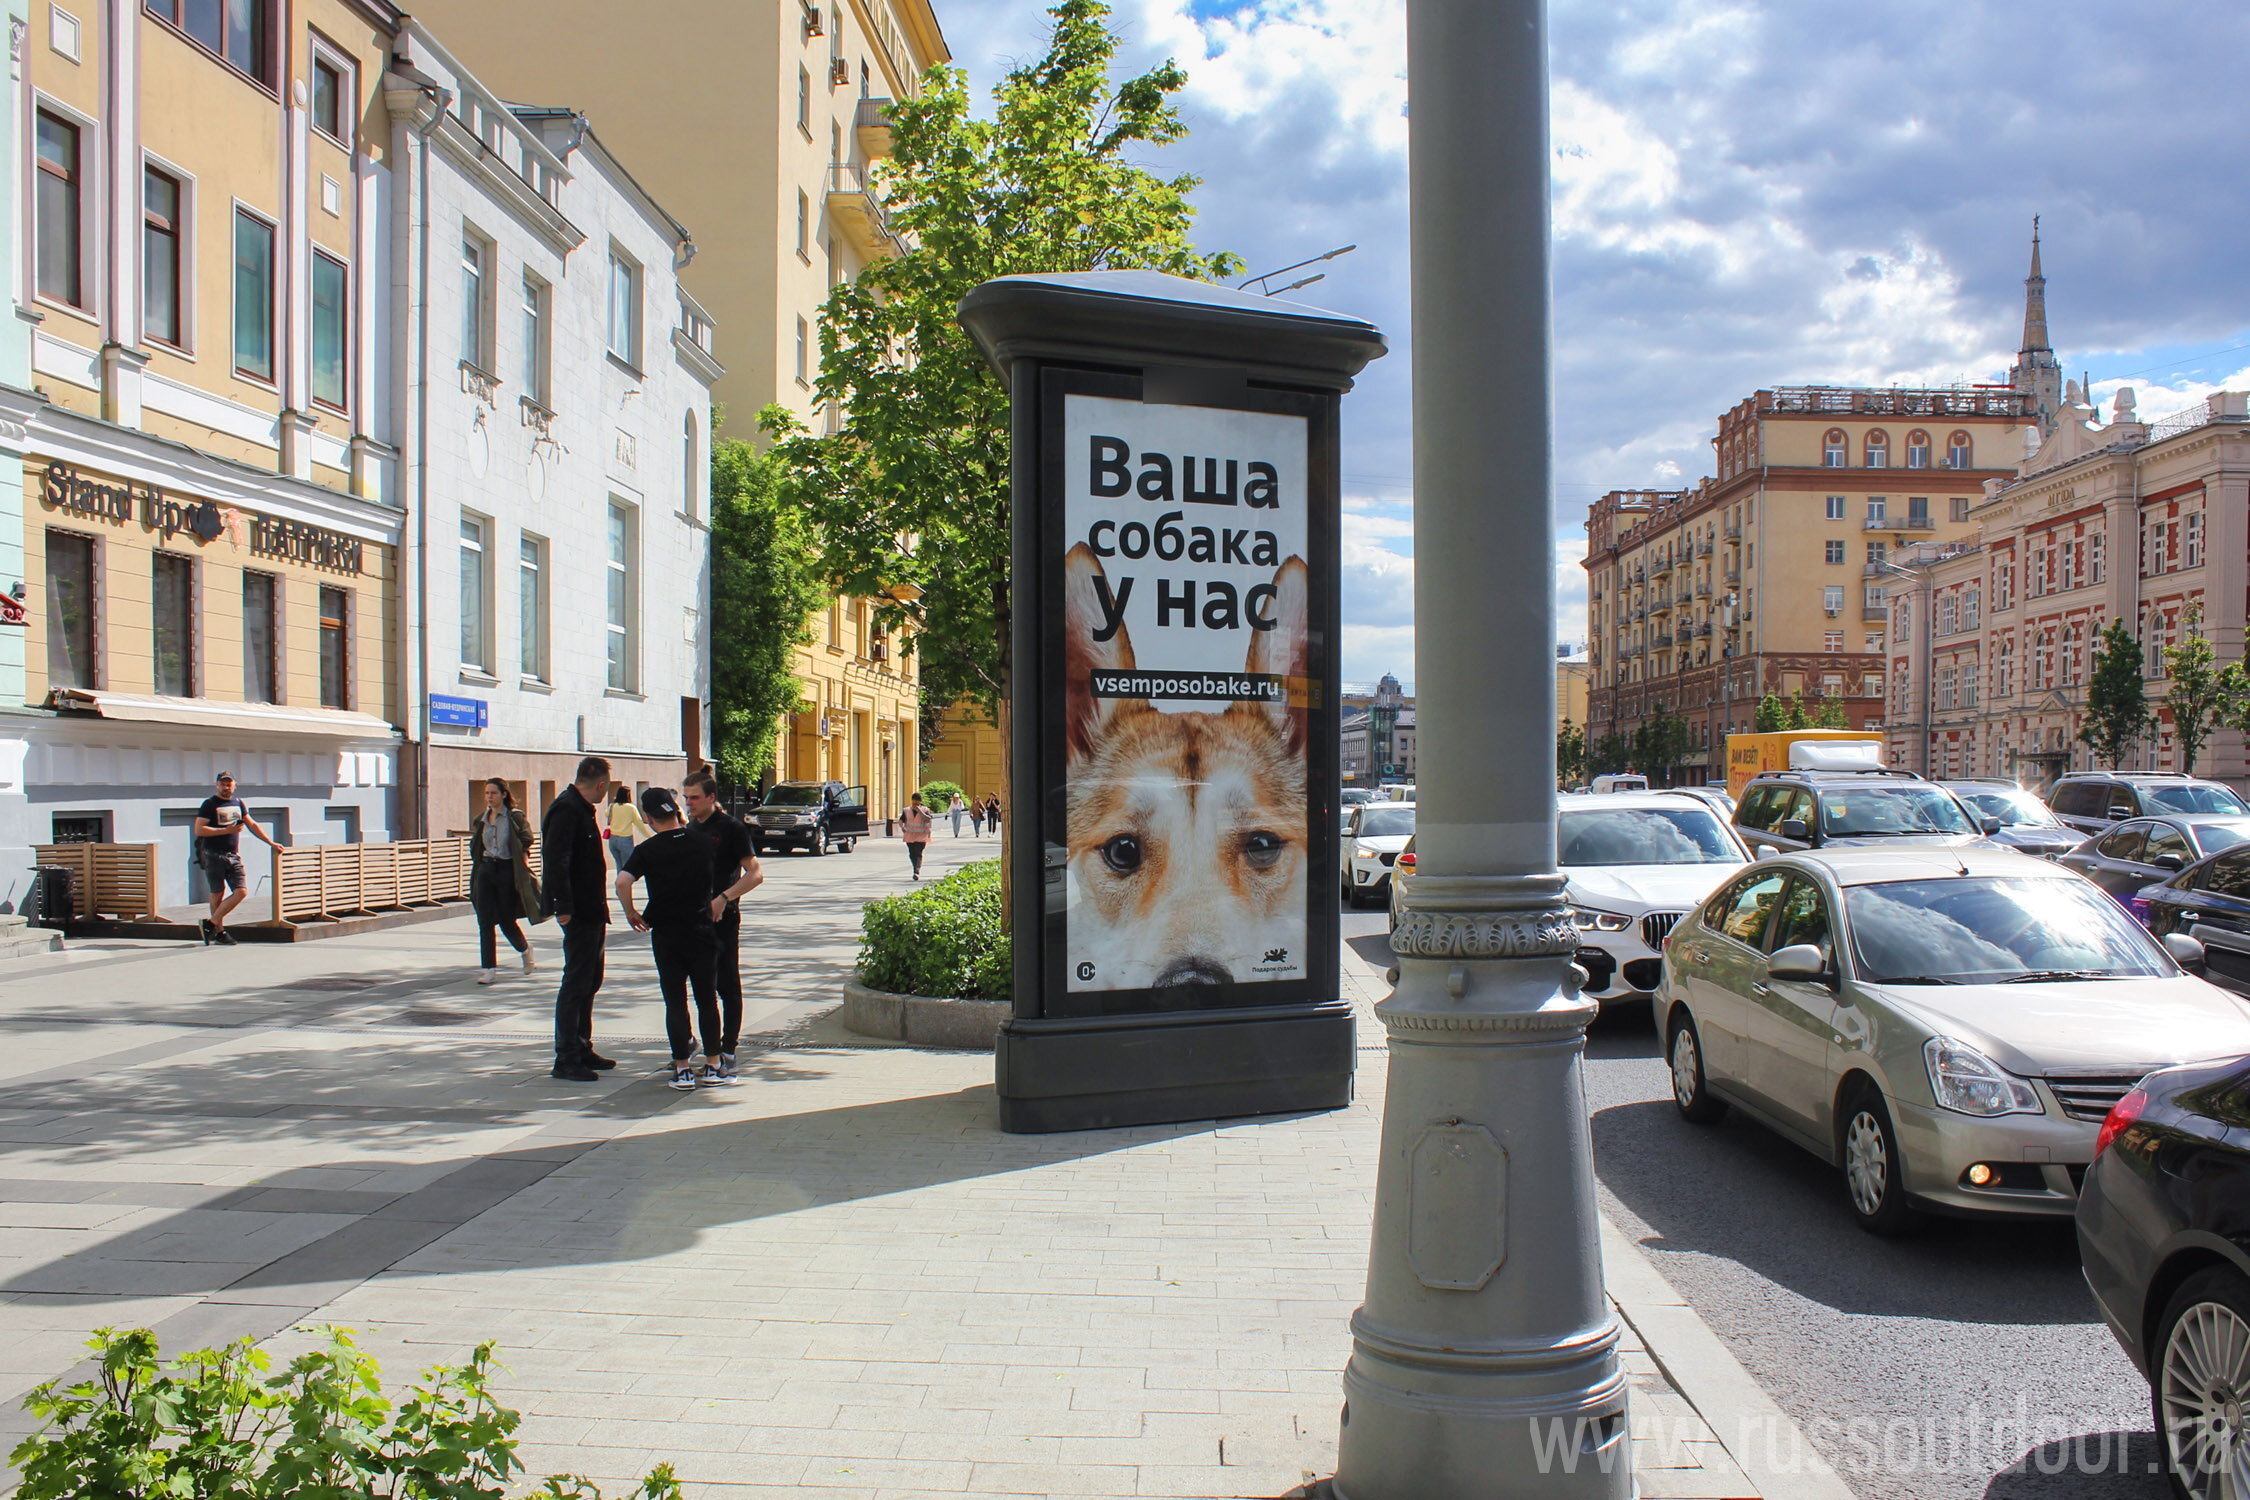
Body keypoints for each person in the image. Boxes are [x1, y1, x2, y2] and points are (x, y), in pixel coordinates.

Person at [617, 787, 727, 1091]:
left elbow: (622, 881)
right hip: (702, 929)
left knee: (675, 1000)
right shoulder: (704, 843)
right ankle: (714, 1065)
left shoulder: (648, 850)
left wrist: (631, 912)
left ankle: (682, 1069)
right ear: (676, 811)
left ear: (650, 817)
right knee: (707, 999)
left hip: (666, 933)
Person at [683, 770, 763, 1077]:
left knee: (726, 984)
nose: (689, 803)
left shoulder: (731, 828)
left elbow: (755, 874)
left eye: (695, 797)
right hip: (693, 921)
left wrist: (724, 898)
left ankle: (728, 1049)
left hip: (723, 919)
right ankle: (705, 1046)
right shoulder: (690, 827)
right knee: (698, 986)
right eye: (686, 797)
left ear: (711, 797)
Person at [543, 757, 614, 1082]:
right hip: (579, 911)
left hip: (592, 908)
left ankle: (583, 1047)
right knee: (575, 983)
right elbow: (556, 861)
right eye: (606, 787)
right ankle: (566, 1057)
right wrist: (563, 907)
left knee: (590, 981)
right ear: (600, 784)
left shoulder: (581, 808)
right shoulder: (567, 809)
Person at [193, 772, 280, 945]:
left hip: (233, 855)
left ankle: (210, 923)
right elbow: (199, 829)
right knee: (217, 893)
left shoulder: (238, 803)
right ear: (217, 785)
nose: (226, 787)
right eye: (223, 784)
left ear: (235, 785)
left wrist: (270, 842)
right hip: (213, 854)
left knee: (241, 892)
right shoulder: (209, 804)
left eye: (229, 784)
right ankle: (220, 932)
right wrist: (225, 831)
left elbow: (252, 824)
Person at [470, 778, 543, 984]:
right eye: (486, 793)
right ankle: (488, 969)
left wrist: (524, 861)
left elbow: (527, 839)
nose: (489, 797)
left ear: (503, 794)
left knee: (505, 920)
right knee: (484, 920)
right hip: (486, 869)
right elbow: (476, 845)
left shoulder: (514, 817)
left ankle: (525, 949)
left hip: (506, 870)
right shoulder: (481, 819)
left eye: (493, 793)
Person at [605, 785, 650, 869]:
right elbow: (639, 823)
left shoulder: (612, 806)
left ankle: (619, 881)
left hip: (612, 839)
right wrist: (649, 836)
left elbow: (606, 814)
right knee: (628, 866)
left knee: (619, 864)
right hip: (625, 839)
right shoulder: (631, 808)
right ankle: (624, 882)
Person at [899, 792, 933, 880]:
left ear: (920, 802)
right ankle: (915, 868)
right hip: (909, 836)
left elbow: (928, 818)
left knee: (918, 853)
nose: (915, 803)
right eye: (914, 801)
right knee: (912, 854)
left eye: (917, 802)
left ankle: (916, 871)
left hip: (921, 836)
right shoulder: (906, 810)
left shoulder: (925, 810)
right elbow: (901, 820)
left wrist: (920, 811)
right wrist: (902, 827)